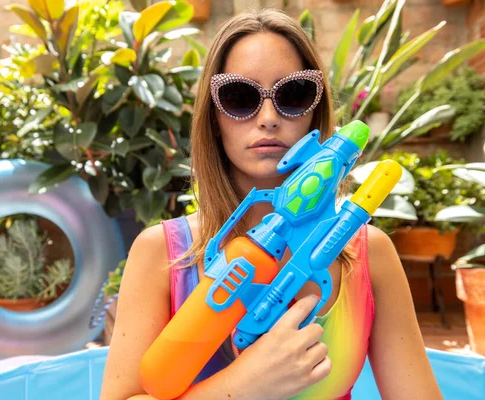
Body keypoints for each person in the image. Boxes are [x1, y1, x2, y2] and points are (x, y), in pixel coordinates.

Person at [100, 8, 443, 400]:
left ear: (315, 111)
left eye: (293, 94)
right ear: (214, 118)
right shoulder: (162, 254)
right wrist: (243, 387)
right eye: (239, 97)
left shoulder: (370, 254)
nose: (267, 118)